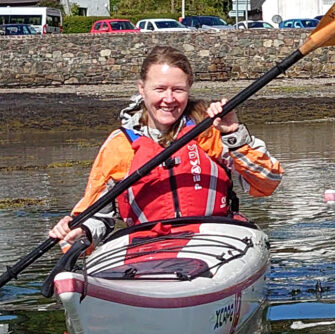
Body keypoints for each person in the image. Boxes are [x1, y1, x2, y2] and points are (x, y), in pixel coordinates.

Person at [49, 45, 283, 247]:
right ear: (142, 89)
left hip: (215, 240)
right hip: (148, 247)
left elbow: (267, 184)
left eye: (178, 90)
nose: (169, 99)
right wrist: (82, 229)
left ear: (189, 88)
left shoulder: (210, 132)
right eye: (160, 89)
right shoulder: (119, 146)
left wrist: (234, 134)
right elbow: (98, 214)